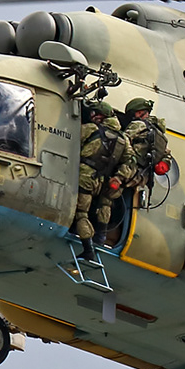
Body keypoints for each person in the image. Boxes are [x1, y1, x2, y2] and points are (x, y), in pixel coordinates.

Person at [73, 102, 131, 255]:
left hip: (85, 176)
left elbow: (71, 141)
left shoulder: (90, 129)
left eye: (94, 114)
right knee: (105, 205)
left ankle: (88, 248)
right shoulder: (123, 139)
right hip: (104, 180)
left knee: (81, 212)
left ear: (101, 116)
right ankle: (101, 237)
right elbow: (130, 161)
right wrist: (119, 177)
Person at [121, 98, 173, 200]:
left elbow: (123, 141)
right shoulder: (157, 131)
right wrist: (165, 163)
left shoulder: (138, 125)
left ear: (140, 113)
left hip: (127, 172)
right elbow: (166, 154)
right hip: (141, 178)